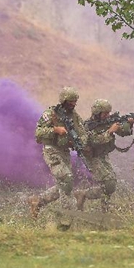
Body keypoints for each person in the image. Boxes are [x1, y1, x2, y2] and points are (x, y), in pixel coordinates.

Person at [28, 87, 89, 218]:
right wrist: (55, 130)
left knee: (65, 183)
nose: (73, 104)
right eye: (70, 101)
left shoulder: (75, 116)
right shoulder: (51, 114)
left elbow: (83, 133)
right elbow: (38, 133)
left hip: (65, 151)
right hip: (51, 150)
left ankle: (38, 201)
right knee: (66, 179)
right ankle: (66, 217)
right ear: (63, 101)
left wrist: (78, 142)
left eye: (75, 101)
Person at [75, 99, 134, 212]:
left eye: (108, 113)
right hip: (92, 157)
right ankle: (83, 194)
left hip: (103, 155)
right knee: (109, 183)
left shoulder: (107, 121)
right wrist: (110, 132)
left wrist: (129, 124)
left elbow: (123, 133)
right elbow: (93, 141)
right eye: (105, 113)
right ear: (97, 113)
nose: (108, 115)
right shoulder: (87, 126)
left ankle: (105, 209)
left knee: (110, 184)